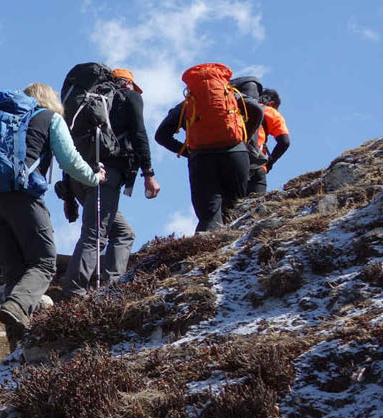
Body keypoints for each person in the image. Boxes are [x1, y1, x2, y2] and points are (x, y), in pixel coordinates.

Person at [0, 84, 104, 343]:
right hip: (22, 198)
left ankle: (16, 345)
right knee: (43, 263)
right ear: (51, 99)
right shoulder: (49, 118)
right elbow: (70, 161)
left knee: (13, 270)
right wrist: (94, 177)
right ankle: (17, 307)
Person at [61, 68, 161, 295]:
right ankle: (74, 292)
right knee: (94, 235)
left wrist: (69, 195)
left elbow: (69, 144)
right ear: (129, 84)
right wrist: (148, 173)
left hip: (79, 177)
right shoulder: (129, 97)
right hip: (107, 175)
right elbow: (139, 135)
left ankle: (112, 286)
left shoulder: (85, 102)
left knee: (124, 232)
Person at [155, 65, 264, 232]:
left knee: (209, 213)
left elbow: (161, 135)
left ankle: (209, 249)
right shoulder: (233, 96)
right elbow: (257, 110)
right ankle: (234, 248)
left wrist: (188, 153)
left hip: (201, 158)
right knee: (235, 207)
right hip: (236, 154)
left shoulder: (187, 104)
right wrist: (244, 139)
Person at [248, 88, 291, 194]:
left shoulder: (239, 108)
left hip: (229, 163)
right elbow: (284, 142)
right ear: (271, 103)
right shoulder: (269, 111)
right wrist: (269, 163)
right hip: (254, 165)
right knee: (252, 207)